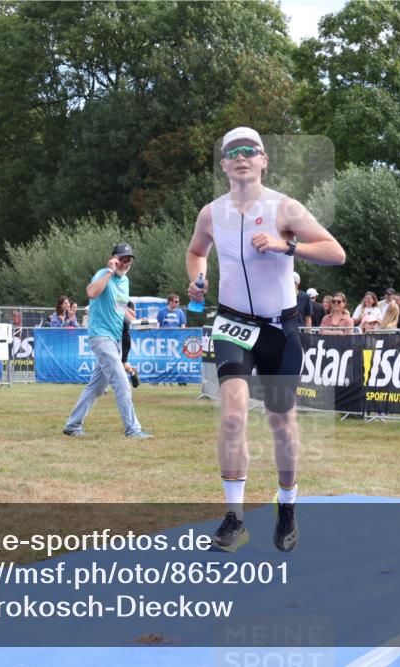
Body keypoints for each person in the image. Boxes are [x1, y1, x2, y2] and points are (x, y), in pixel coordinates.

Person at [186, 126, 345, 553]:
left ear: (263, 160)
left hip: (280, 328)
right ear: (223, 164)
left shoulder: (284, 207)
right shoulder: (210, 213)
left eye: (250, 150)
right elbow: (196, 251)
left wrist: (285, 247)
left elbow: (335, 252)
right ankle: (234, 519)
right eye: (233, 152)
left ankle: (287, 505)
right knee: (232, 415)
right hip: (232, 323)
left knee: (281, 422)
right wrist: (198, 280)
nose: (242, 156)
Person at [63, 243, 152, 439]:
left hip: (115, 339)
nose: (125, 263)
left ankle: (72, 425)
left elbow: (120, 308)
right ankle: (133, 429)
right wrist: (110, 271)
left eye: (129, 260)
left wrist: (139, 323)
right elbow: (91, 292)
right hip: (101, 336)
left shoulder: (125, 281)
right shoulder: (103, 274)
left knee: (96, 387)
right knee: (122, 382)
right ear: (113, 259)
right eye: (122, 259)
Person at [122, 301, 140, 388]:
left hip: (124, 338)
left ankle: (132, 371)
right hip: (112, 338)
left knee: (120, 363)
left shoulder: (128, 303)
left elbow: (133, 316)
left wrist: (123, 307)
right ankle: (132, 371)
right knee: (116, 363)